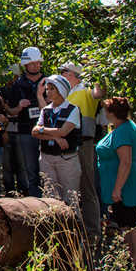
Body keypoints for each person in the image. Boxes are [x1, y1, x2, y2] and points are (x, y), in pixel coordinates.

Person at [96, 97, 136, 264]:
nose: (104, 114)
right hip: (116, 182)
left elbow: (126, 161)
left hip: (124, 183)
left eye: (106, 111)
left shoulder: (124, 131)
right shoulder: (120, 127)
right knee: (123, 219)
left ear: (112, 113)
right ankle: (129, 256)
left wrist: (117, 188)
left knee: (132, 219)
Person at [60, 62, 105, 243]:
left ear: (71, 74)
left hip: (84, 143)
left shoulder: (86, 90)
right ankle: (70, 230)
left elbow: (99, 92)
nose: (61, 74)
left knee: (87, 185)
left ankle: (92, 232)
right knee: (68, 186)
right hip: (64, 143)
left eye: (63, 72)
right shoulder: (63, 92)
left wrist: (96, 70)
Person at [32, 74, 82, 207]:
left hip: (66, 159)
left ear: (61, 90)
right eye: (47, 89)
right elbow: (34, 132)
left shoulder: (73, 110)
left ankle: (72, 226)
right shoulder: (46, 111)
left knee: (70, 198)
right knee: (50, 198)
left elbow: (63, 131)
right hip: (47, 157)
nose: (48, 92)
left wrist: (43, 130)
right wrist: (54, 137)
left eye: (51, 89)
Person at [7, 47, 47, 196]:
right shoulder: (18, 85)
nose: (35, 66)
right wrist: (18, 107)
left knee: (47, 171)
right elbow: (9, 110)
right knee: (31, 171)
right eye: (32, 63)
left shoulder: (49, 82)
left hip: (47, 132)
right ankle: (36, 203)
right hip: (26, 133)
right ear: (25, 65)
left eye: (37, 63)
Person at [0, 74, 28, 195]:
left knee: (22, 163)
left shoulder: (23, 89)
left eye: (14, 76)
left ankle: (24, 188)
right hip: (6, 130)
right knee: (7, 164)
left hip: (20, 130)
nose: (11, 80)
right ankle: (9, 189)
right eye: (8, 77)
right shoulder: (0, 91)